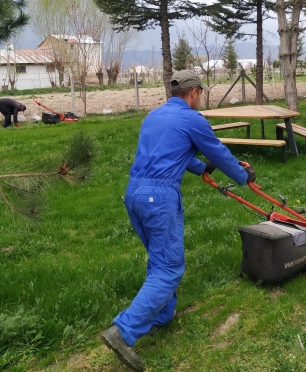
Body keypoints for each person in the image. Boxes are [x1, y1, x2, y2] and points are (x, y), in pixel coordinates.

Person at [100, 70, 256, 371]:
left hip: (134, 195)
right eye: (202, 93)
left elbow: (173, 154)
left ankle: (162, 315)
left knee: (159, 259)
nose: (202, 98)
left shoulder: (154, 117)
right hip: (158, 198)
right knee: (169, 268)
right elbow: (220, 153)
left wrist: (200, 169)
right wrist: (242, 175)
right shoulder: (192, 119)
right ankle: (123, 332)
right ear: (194, 92)